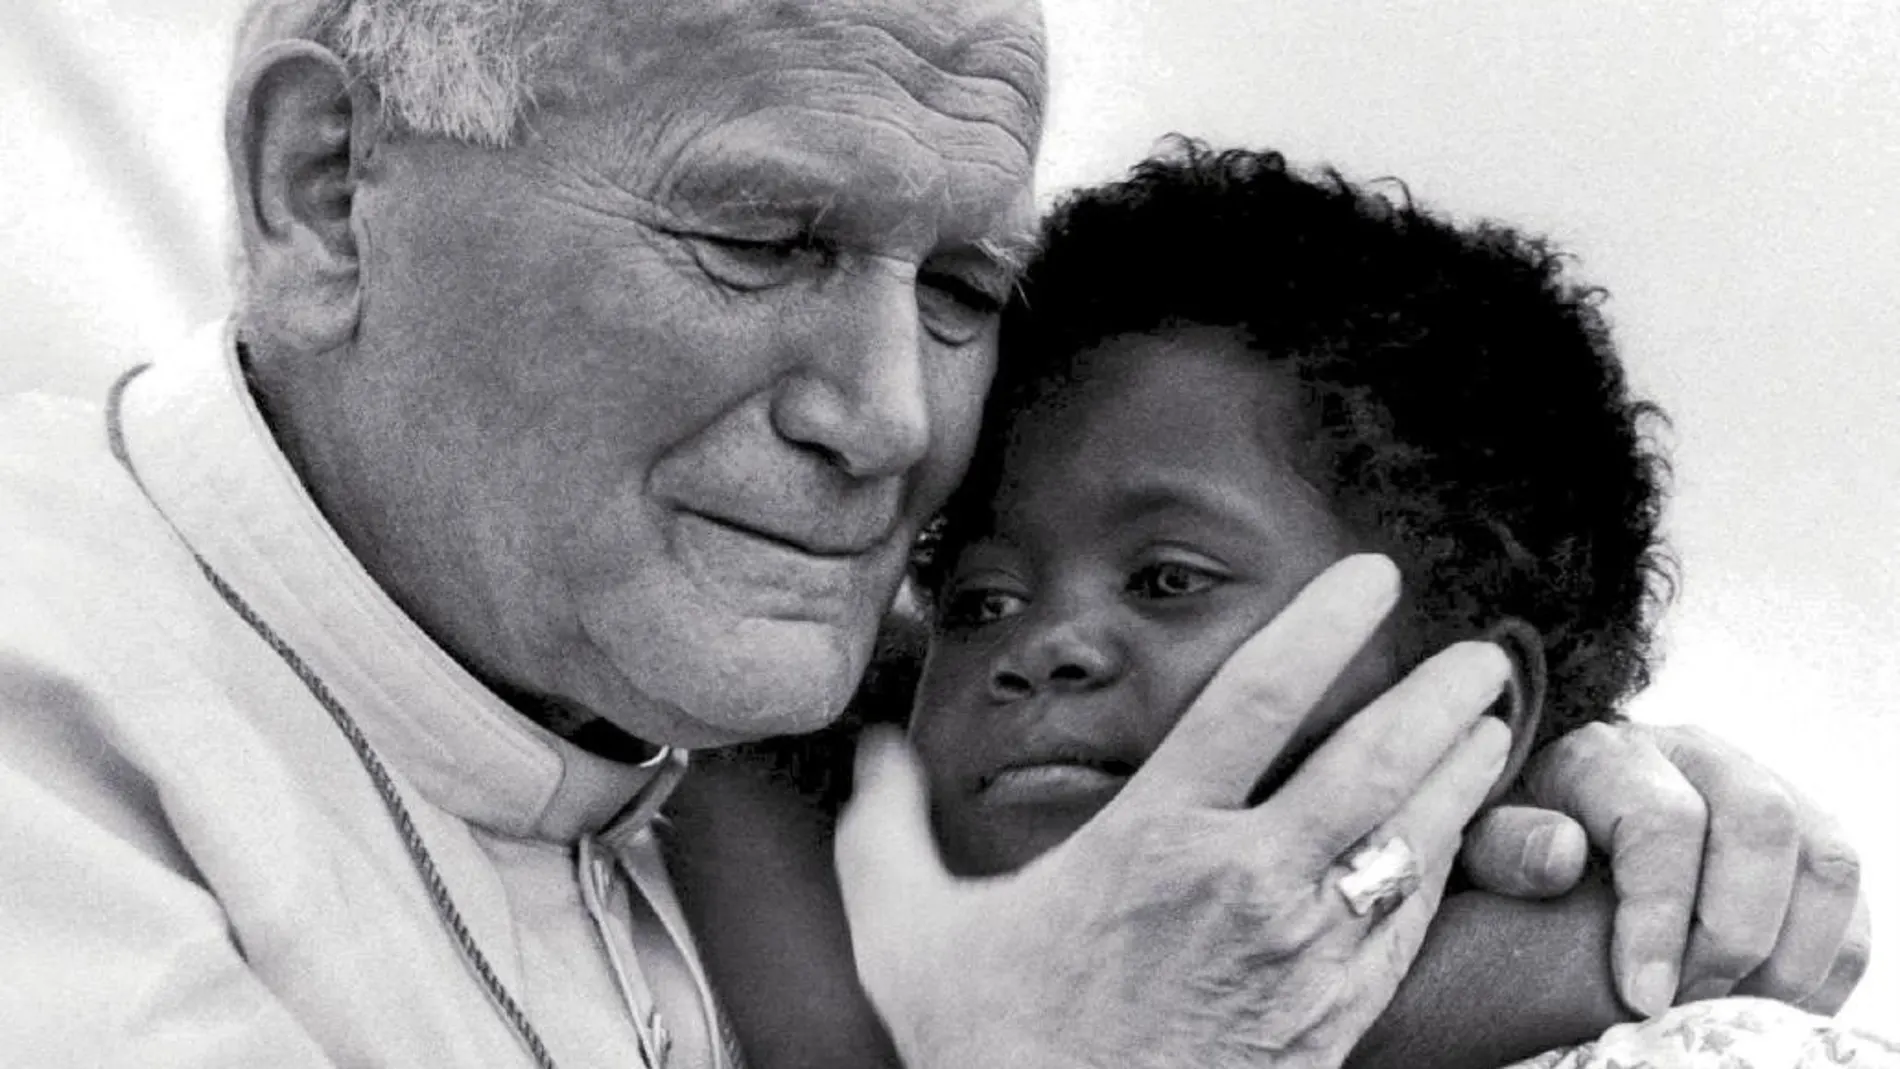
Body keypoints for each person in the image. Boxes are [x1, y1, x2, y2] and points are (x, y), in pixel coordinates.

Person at [0, 0, 1867, 1064]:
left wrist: (1542, 804)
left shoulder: (761, 715)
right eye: (763, 242)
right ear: (332, 185)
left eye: (964, 280)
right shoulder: (47, 708)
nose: (891, 419)